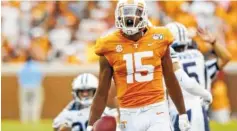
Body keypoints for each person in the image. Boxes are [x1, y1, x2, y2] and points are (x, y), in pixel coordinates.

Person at [87, 0, 190, 131]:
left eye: (133, 13)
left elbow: (170, 79)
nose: (129, 17)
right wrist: (90, 125)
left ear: (144, 15)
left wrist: (182, 113)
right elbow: (102, 91)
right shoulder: (107, 44)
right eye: (125, 13)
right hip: (128, 114)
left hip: (156, 110)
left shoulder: (159, 37)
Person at [166, 22, 231, 131]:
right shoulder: (198, 57)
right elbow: (226, 58)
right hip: (199, 112)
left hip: (177, 113)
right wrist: (214, 42)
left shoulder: (167, 62)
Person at [52, 73, 119, 131]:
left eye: (88, 91)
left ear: (95, 91)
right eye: (81, 91)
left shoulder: (106, 109)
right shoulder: (69, 111)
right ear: (75, 93)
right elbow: (56, 126)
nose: (85, 94)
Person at [18, 50, 44, 123]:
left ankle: (24, 120)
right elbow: (41, 77)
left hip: (24, 87)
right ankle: (34, 120)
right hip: (35, 87)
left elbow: (19, 78)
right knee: (35, 103)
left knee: (24, 103)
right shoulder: (37, 67)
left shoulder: (22, 67)